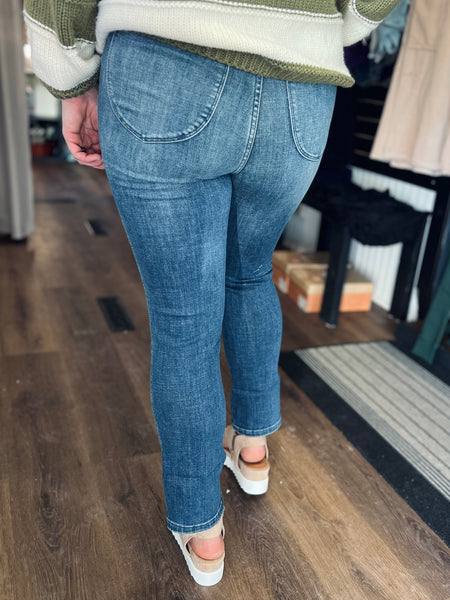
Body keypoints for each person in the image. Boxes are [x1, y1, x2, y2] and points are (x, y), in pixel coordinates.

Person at [24, 0, 401, 586]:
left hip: (166, 61)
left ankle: (203, 532)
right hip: (300, 86)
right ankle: (251, 450)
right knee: (251, 271)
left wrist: (70, 76)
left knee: (184, 315)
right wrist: (332, 22)